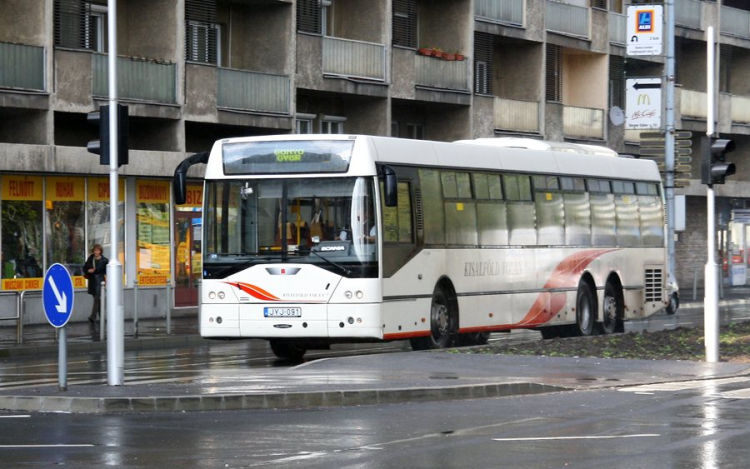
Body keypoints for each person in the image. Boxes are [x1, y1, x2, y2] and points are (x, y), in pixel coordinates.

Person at [84, 244, 108, 323]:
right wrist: (88, 270)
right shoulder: (91, 258)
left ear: (100, 251)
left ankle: (93, 316)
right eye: (95, 250)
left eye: (97, 250)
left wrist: (94, 270)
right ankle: (102, 317)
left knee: (97, 298)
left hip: (100, 281)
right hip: (92, 281)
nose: (96, 252)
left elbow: (103, 270)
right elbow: (85, 267)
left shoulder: (104, 260)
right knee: (96, 299)